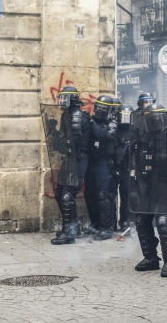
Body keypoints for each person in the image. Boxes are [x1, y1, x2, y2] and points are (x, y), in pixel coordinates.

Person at [131, 104, 167, 277]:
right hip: (147, 184)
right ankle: (151, 258)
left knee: (163, 221)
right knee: (141, 219)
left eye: (155, 118)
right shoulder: (143, 136)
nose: (153, 122)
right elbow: (135, 158)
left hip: (164, 184)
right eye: (149, 118)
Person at [51, 86, 91, 245]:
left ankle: (70, 234)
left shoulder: (75, 116)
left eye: (63, 98)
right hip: (69, 160)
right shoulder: (66, 115)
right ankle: (71, 228)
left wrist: (56, 136)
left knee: (68, 195)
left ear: (71, 99)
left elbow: (70, 142)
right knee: (60, 193)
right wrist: (53, 132)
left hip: (78, 160)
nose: (60, 101)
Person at [84, 95, 118, 240]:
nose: (99, 110)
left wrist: (91, 122)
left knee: (103, 195)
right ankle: (95, 224)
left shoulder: (112, 123)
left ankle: (106, 228)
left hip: (104, 163)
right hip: (91, 161)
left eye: (103, 108)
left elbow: (104, 135)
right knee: (89, 195)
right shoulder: (92, 121)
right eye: (97, 107)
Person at [113, 102, 134, 231]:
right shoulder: (114, 129)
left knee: (126, 195)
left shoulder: (135, 130)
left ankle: (125, 220)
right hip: (114, 166)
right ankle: (111, 221)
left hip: (127, 167)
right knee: (110, 195)